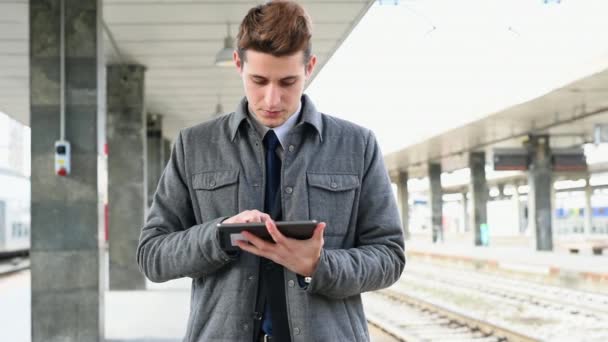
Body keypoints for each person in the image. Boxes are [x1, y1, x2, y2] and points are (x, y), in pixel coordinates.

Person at [136, 1, 405, 341]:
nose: (272, 99)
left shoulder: (357, 145)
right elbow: (152, 254)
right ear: (238, 64)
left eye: (288, 81)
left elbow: (389, 256)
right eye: (259, 80)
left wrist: (319, 265)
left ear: (309, 67)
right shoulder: (195, 145)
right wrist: (219, 235)